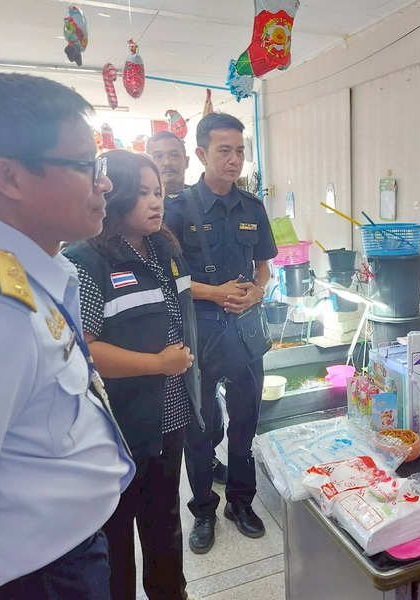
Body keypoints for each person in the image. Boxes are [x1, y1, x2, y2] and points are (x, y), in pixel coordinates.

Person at [0, 73, 134, 598]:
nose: (105, 185)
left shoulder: (24, 272)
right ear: (9, 177)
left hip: (62, 557)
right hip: (33, 580)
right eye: (86, 166)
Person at [63, 150, 202, 600]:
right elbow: (82, 348)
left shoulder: (165, 249)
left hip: (170, 413)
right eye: (141, 193)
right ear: (115, 195)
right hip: (119, 424)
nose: (155, 202)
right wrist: (158, 364)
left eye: (157, 192)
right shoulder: (88, 260)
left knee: (164, 521)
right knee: (116, 532)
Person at [164, 112, 277, 554]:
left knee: (245, 423)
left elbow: (264, 266)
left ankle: (241, 503)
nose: (234, 160)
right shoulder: (177, 209)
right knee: (200, 428)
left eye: (240, 151)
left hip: (244, 332)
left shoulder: (252, 207)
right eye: (224, 150)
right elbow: (168, 278)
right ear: (201, 153)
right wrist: (215, 292)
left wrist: (257, 292)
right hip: (199, 332)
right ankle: (203, 511)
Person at [146, 130, 228, 485]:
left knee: (209, 412)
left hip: (205, 325)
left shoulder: (202, 202)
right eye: (158, 156)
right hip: (163, 334)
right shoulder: (140, 217)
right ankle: (200, 494)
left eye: (173, 154)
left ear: (187, 158)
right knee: (182, 416)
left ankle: (209, 459)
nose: (167, 162)